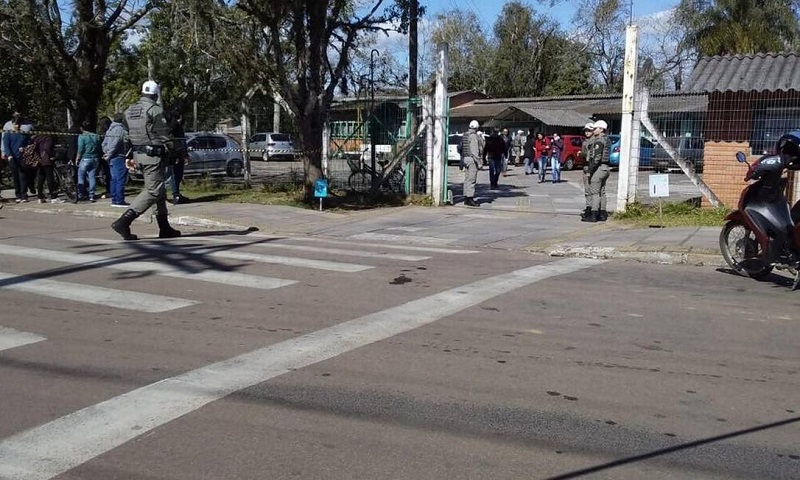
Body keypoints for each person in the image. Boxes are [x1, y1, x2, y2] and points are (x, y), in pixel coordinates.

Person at [112, 80, 181, 240]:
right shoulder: (154, 109)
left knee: (160, 191)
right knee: (153, 190)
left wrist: (128, 156)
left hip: (138, 155)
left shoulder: (129, 110)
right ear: (156, 95)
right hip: (154, 156)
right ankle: (124, 221)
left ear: (142, 93)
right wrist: (177, 151)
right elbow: (164, 135)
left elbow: (126, 136)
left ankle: (164, 227)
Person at [583, 119, 611, 222]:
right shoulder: (607, 139)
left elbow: (597, 157)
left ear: (601, 129)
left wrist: (590, 169)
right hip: (606, 168)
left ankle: (593, 214)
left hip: (599, 168)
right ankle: (603, 214)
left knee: (595, 192)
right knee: (602, 192)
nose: (593, 130)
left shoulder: (599, 141)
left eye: (595, 128)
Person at [102, 112, 129, 207]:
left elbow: (104, 143)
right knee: (120, 179)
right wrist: (109, 153)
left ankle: (114, 199)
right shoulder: (120, 130)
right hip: (118, 156)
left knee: (113, 179)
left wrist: (106, 152)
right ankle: (119, 200)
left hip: (111, 157)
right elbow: (116, 144)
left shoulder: (109, 130)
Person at [2, 115, 31, 203]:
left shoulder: (22, 134)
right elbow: (6, 145)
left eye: (18, 125)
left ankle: (24, 195)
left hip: (21, 156)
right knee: (15, 176)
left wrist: (25, 148)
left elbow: (27, 142)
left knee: (23, 176)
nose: (17, 126)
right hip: (12, 157)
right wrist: (9, 155)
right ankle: (18, 194)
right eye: (15, 125)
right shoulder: (8, 133)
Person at [165, 104, 190, 204]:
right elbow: (181, 142)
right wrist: (185, 154)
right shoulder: (176, 126)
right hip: (177, 152)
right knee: (176, 174)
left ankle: (174, 194)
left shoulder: (168, 126)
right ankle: (176, 195)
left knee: (170, 174)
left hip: (170, 152)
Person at [31, 128, 63, 203]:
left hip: (39, 161)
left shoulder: (37, 138)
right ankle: (53, 197)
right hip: (47, 160)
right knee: (50, 178)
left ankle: (40, 197)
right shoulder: (48, 138)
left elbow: (35, 149)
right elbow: (47, 148)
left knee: (41, 178)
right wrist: (51, 155)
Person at [75, 120, 102, 202]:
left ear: (82, 128)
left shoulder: (82, 136)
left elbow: (81, 149)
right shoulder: (96, 136)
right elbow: (99, 147)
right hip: (95, 158)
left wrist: (77, 158)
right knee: (92, 177)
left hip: (85, 158)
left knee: (81, 176)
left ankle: (81, 193)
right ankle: (92, 195)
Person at [460, 119, 482, 207]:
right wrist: (479, 162)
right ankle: (470, 198)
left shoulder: (465, 135)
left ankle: (466, 197)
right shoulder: (473, 136)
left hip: (465, 158)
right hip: (472, 160)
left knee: (467, 179)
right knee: (472, 179)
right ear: (476, 127)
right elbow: (474, 151)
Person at [579, 122, 595, 219]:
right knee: (587, 190)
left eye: (589, 130)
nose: (587, 132)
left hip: (592, 167)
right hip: (585, 166)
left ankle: (592, 209)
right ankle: (589, 207)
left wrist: (582, 154)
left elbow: (591, 155)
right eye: (586, 130)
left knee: (592, 190)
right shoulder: (585, 141)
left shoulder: (594, 141)